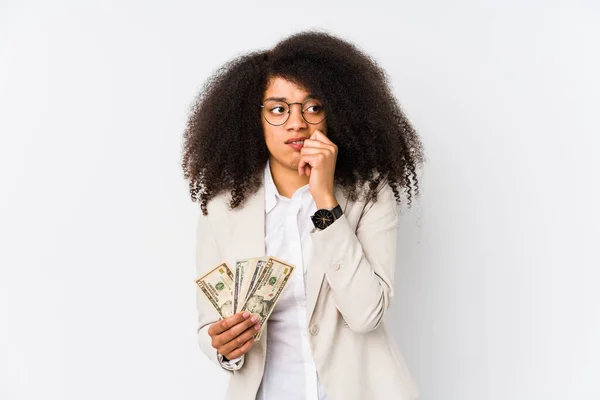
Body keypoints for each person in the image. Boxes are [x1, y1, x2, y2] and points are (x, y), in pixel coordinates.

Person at [182, 31, 424, 400]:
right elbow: (209, 326)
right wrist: (223, 347)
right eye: (278, 109)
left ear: (334, 115)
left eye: (313, 107)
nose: (297, 123)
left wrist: (325, 200)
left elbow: (365, 315)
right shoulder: (221, 209)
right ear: (255, 120)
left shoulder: (369, 196)